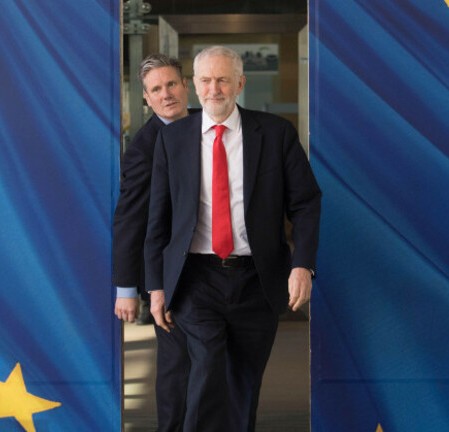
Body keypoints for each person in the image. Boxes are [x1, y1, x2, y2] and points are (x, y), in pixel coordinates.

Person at [144, 46, 321, 432]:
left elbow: (306, 203)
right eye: (205, 80)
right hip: (195, 279)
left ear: (240, 83)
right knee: (207, 369)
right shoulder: (173, 140)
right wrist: (156, 287)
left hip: (257, 279)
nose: (214, 89)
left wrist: (302, 264)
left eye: (223, 79)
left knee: (244, 382)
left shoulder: (276, 135)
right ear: (193, 85)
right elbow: (158, 220)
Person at [112, 53, 192, 432]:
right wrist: (126, 288)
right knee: (177, 368)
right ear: (146, 98)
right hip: (169, 277)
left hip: (217, 266)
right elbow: (130, 219)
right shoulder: (144, 147)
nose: (166, 94)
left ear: (185, 85)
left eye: (171, 84)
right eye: (156, 89)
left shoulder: (212, 126)